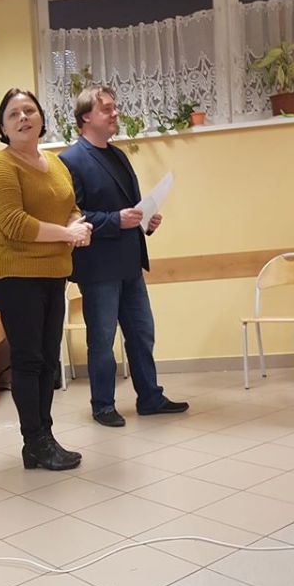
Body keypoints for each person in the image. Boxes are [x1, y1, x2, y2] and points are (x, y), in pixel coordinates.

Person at [59, 85, 189, 426]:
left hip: (130, 262)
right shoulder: (70, 161)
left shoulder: (118, 156)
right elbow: (74, 217)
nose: (115, 113)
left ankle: (150, 398)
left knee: (142, 332)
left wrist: (146, 219)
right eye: (106, 108)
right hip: (98, 268)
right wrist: (116, 220)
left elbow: (130, 207)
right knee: (102, 340)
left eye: (114, 107)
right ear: (86, 117)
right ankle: (102, 405)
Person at [0, 88, 93, 470]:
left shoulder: (55, 163)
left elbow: (71, 205)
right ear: (2, 127)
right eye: (13, 114)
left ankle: (43, 439)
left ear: (42, 118)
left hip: (52, 273)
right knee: (28, 360)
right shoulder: (0, 167)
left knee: (46, 361)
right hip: (14, 275)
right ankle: (35, 440)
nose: (23, 118)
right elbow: (15, 224)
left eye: (29, 110)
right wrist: (67, 234)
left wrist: (78, 224)